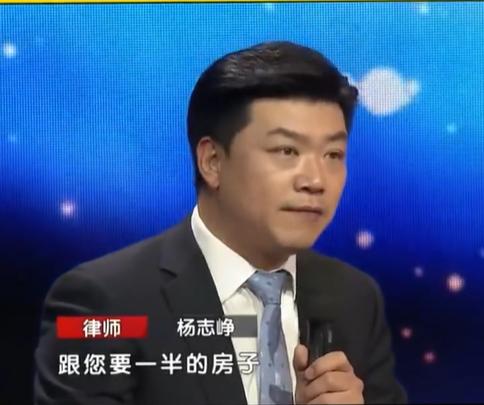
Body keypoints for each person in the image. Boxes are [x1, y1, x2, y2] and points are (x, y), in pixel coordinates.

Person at [34, 41, 407, 405]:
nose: (315, 180)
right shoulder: (103, 302)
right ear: (212, 161)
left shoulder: (355, 298)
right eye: (287, 151)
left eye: (333, 154)